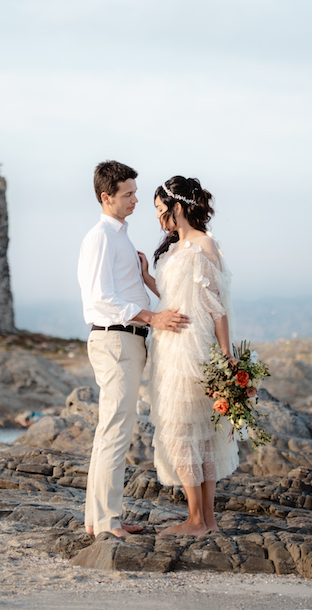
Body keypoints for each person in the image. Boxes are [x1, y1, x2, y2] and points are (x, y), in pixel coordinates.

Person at [77, 161, 189, 539]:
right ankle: (107, 524)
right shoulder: (101, 238)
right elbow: (98, 300)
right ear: (106, 197)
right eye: (128, 194)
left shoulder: (119, 236)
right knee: (114, 432)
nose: (136, 200)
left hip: (126, 339)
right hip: (115, 338)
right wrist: (153, 318)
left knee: (111, 432)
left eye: (135, 193)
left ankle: (99, 520)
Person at [140, 175, 238, 536]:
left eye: (159, 209)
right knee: (192, 431)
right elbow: (171, 295)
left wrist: (226, 355)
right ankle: (206, 520)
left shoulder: (204, 245)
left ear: (177, 207)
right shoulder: (176, 248)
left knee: (185, 430)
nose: (157, 217)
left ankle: (198, 519)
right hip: (168, 344)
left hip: (190, 345)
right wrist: (148, 277)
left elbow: (217, 306)